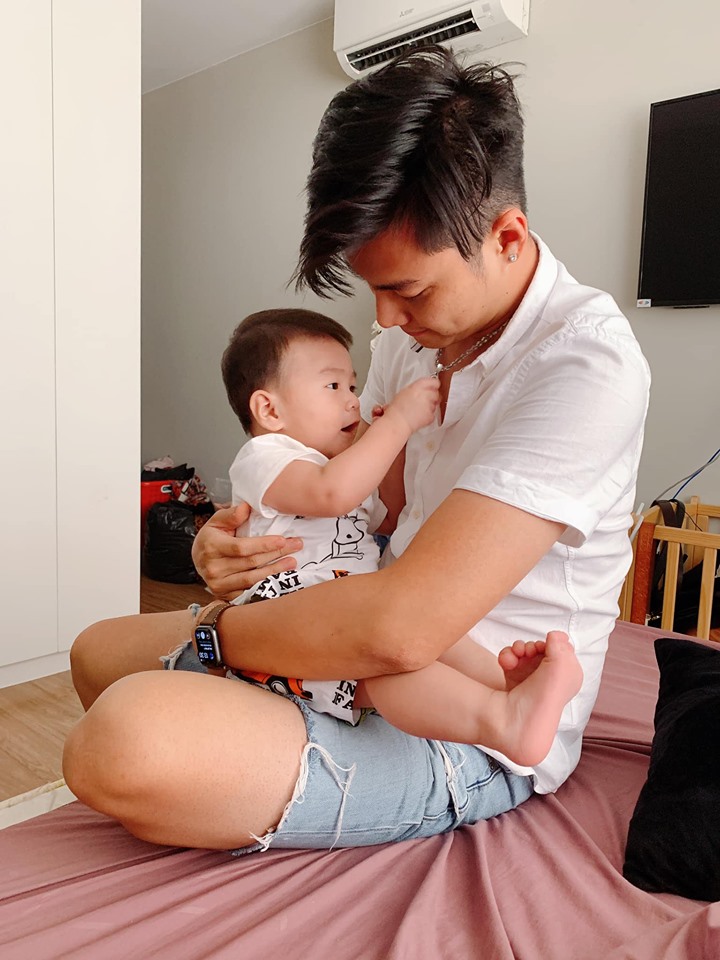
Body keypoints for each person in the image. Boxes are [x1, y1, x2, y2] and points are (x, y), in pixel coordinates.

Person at [65, 45, 650, 855]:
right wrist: (227, 546)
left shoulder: (586, 366)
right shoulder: (409, 342)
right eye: (371, 287)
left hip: (466, 712)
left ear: (507, 237)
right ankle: (252, 712)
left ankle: (254, 717)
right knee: (97, 652)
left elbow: (404, 629)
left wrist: (223, 634)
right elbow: (367, 505)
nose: (386, 319)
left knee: (122, 742)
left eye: (408, 289)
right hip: (355, 628)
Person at [211, 306, 582, 763]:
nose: (352, 401)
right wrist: (395, 425)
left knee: (433, 631)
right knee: (386, 673)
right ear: (269, 409)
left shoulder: (336, 463)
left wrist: (396, 444)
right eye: (333, 387)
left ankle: (510, 684)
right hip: (293, 616)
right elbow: (332, 494)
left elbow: (387, 512)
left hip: (356, 602)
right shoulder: (266, 456)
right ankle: (500, 719)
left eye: (352, 387)